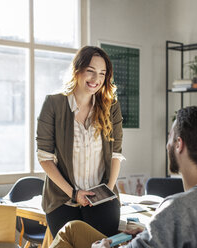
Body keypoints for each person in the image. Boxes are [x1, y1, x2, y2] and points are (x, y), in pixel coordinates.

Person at [50, 106, 197, 248]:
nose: (167, 145)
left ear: (179, 144)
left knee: (69, 233)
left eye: (170, 137)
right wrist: (149, 234)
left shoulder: (176, 208)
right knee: (74, 228)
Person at [36, 46, 125, 237]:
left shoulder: (112, 107)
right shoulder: (53, 104)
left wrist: (108, 191)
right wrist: (74, 193)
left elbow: (116, 154)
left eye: (102, 73)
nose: (96, 79)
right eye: (90, 71)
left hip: (101, 198)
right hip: (62, 199)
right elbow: (45, 158)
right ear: (78, 70)